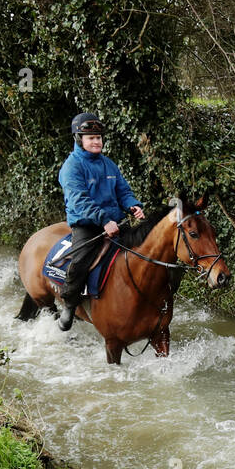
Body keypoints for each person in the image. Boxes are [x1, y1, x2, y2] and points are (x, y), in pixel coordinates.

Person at [55, 113, 145, 331]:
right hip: (87, 225)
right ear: (79, 139)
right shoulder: (71, 167)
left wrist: (132, 205)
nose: (96, 142)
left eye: (99, 137)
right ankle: (69, 304)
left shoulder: (109, 164)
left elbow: (123, 190)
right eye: (90, 138)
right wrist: (104, 220)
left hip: (116, 222)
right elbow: (79, 200)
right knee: (80, 261)